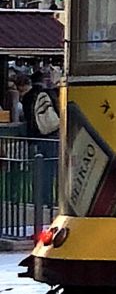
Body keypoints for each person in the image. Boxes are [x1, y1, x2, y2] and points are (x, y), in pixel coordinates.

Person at [19, 62, 61, 234]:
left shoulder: (28, 97)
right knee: (51, 170)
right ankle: (50, 201)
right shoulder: (51, 94)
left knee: (38, 172)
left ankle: (40, 200)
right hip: (51, 137)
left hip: (36, 138)